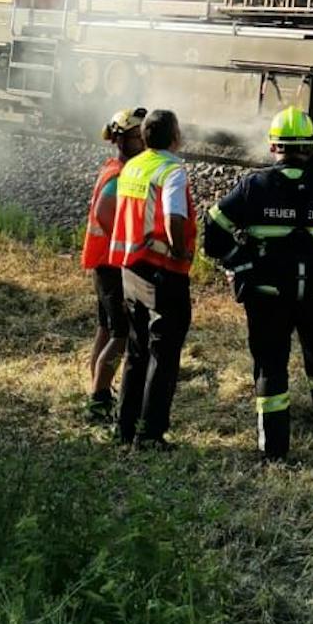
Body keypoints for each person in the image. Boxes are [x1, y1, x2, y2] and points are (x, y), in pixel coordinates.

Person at [203, 106, 313, 461]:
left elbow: (213, 232)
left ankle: (274, 447)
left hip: (267, 295)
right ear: (311, 146)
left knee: (271, 365)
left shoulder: (254, 186)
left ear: (273, 147)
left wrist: (242, 263)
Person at [108, 108, 196, 449]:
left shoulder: (134, 166)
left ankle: (124, 428)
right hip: (163, 271)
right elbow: (175, 215)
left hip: (130, 269)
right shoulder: (172, 169)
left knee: (136, 350)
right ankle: (150, 433)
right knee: (164, 352)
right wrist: (177, 252)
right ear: (175, 136)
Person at [80, 106, 146, 422]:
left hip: (105, 265)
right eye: (137, 137)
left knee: (106, 329)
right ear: (121, 140)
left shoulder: (115, 168)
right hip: (112, 266)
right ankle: (99, 399)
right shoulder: (119, 175)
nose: (143, 142)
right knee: (122, 334)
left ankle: (98, 390)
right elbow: (106, 213)